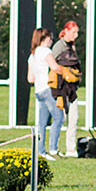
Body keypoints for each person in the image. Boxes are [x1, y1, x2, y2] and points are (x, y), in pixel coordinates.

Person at [27, 27, 66, 160]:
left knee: (42, 122)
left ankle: (41, 151)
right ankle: (53, 149)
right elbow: (55, 67)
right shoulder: (45, 51)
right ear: (46, 38)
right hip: (48, 89)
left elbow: (30, 79)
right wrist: (68, 72)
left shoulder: (32, 55)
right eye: (51, 38)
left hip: (39, 90)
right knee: (59, 117)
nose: (51, 41)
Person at [51, 21, 82, 157]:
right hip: (61, 89)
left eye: (77, 33)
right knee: (60, 119)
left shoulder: (72, 46)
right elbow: (52, 65)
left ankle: (71, 149)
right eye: (74, 32)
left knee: (74, 119)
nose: (76, 35)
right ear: (66, 31)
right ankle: (54, 147)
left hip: (72, 90)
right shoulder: (59, 46)